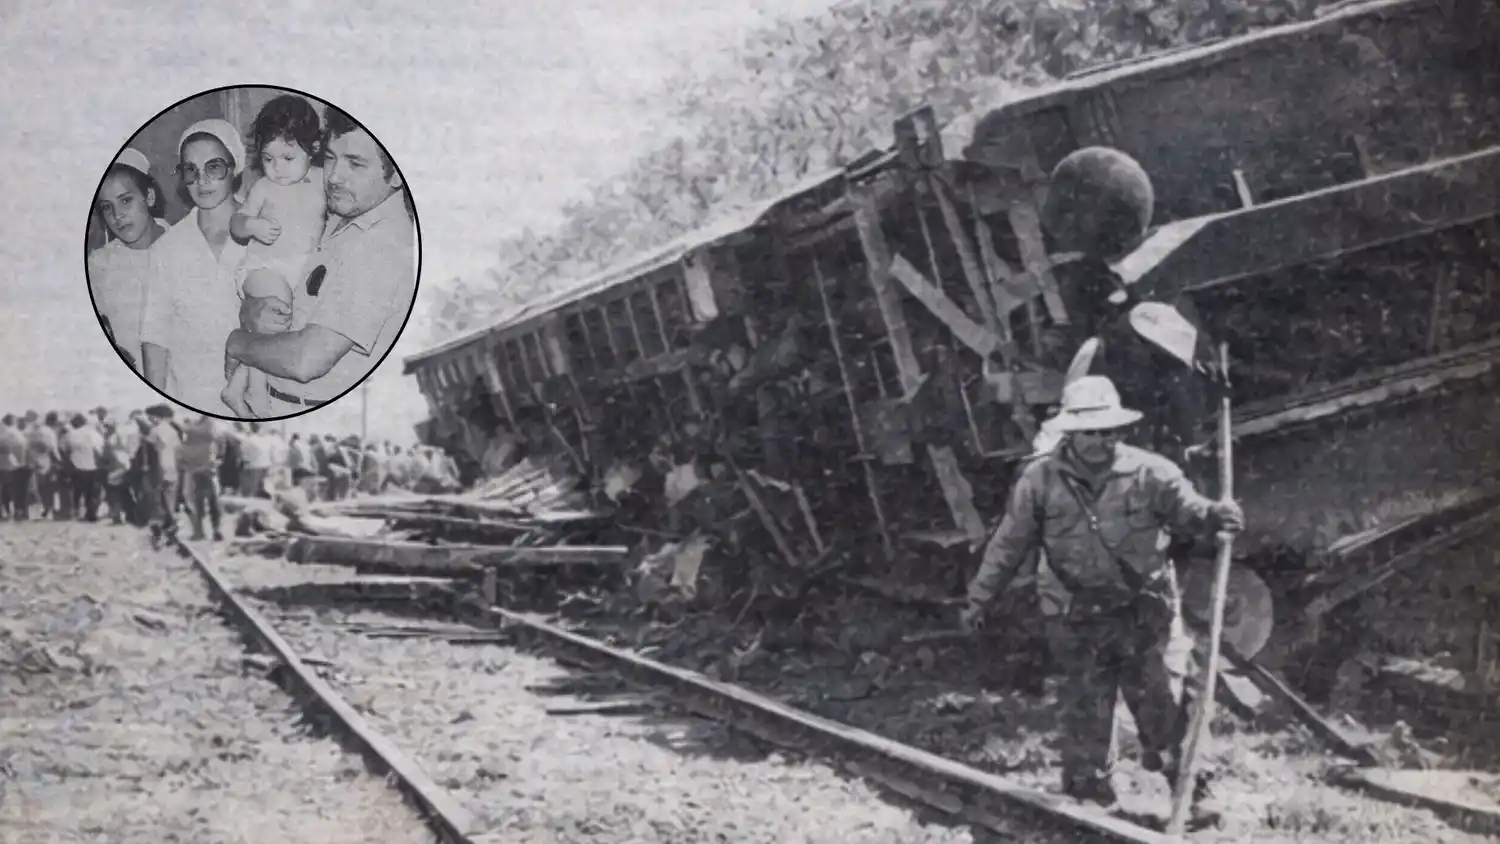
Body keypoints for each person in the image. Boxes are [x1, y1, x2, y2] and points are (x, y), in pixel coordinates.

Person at [959, 376, 1243, 822]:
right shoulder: (1039, 479)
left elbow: (1190, 510)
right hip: (1072, 611)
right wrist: (979, 600)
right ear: (1071, 433)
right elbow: (1008, 545)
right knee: (1086, 705)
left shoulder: (1151, 472)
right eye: (1091, 432)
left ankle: (1193, 789)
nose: (1101, 440)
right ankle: (1089, 800)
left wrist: (1215, 514)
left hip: (1141, 608)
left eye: (1109, 431)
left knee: (1160, 700)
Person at [225, 106, 416, 415]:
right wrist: (254, 310)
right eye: (330, 159)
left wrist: (237, 342)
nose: (334, 176)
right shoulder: (344, 212)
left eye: (355, 164)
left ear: (395, 174)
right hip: (277, 402)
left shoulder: (382, 245)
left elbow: (306, 361)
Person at [223, 95, 328, 417]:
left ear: (312, 149)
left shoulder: (324, 181)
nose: (277, 168)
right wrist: (252, 225)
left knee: (277, 332)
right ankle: (257, 392)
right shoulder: (264, 188)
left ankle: (234, 387)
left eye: (287, 157)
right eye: (268, 159)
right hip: (263, 267)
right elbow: (236, 225)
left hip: (301, 273)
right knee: (275, 313)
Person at [141, 119, 249, 414]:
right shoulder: (167, 248)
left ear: (234, 166)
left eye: (213, 167)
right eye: (191, 170)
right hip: (190, 400)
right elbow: (155, 337)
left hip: (255, 400)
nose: (202, 180)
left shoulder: (265, 231)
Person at [89, 148, 169, 373]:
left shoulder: (184, 246)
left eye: (126, 201)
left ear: (149, 197)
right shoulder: (99, 265)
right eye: (107, 207)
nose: (118, 215)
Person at [142, 404, 182, 547]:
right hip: (172, 467)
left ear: (156, 417)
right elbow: (178, 450)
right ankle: (171, 523)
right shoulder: (173, 431)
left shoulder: (155, 431)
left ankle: (160, 526)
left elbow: (149, 451)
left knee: (157, 498)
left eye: (150, 417)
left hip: (160, 467)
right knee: (170, 497)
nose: (150, 420)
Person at [180, 413, 224, 541]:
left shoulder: (191, 441)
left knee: (197, 504)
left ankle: (201, 531)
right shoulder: (210, 440)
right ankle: (214, 530)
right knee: (212, 504)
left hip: (198, 473)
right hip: (207, 472)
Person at [61, 414, 104, 522]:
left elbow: (63, 449)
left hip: (76, 466)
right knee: (92, 493)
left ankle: (75, 512)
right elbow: (100, 451)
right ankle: (91, 513)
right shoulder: (94, 434)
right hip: (93, 466)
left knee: (77, 491)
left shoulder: (70, 435)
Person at [101, 415, 139, 525]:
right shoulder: (125, 434)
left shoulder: (112, 437)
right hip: (124, 464)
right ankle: (130, 515)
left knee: (115, 492)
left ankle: (117, 516)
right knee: (124, 492)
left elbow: (109, 453)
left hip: (116, 466)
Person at [26, 411, 61, 519]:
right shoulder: (50, 432)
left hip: (36, 460)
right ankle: (50, 507)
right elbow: (53, 448)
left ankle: (45, 507)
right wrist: (59, 461)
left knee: (40, 486)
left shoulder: (37, 431)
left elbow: (30, 445)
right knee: (50, 486)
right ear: (54, 421)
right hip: (47, 460)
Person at [0, 414, 25, 519]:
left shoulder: (4, 431)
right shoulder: (13, 432)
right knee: (9, 488)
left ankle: (5, 511)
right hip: (10, 463)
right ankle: (10, 511)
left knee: (4, 488)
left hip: (4, 462)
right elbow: (21, 446)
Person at [238, 422, 272, 498]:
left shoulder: (248, 440)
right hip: (264, 467)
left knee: (249, 492)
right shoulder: (265, 440)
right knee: (259, 490)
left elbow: (244, 456)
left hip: (252, 467)